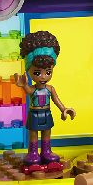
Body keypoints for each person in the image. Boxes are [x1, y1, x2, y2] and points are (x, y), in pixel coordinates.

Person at [14, 31, 75, 166]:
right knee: (33, 133)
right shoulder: (33, 89)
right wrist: (23, 85)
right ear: (29, 70)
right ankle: (33, 152)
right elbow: (28, 90)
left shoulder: (50, 89)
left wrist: (64, 109)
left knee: (47, 132)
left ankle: (46, 151)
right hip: (34, 113)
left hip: (47, 113)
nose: (43, 76)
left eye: (48, 72)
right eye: (37, 73)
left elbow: (56, 100)